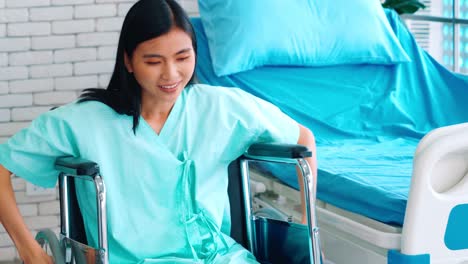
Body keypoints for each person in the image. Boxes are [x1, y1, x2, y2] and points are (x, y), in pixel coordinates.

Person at [0, 0, 317, 263]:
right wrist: (28, 249)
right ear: (128, 61)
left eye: (183, 57)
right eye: (154, 61)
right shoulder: (84, 121)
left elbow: (303, 139)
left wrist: (304, 223)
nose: (171, 74)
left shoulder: (221, 108)